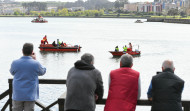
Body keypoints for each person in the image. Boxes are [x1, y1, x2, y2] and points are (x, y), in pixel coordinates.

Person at [10, 43, 46, 111]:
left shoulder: (15, 62)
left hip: (17, 94)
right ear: (32, 52)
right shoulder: (35, 63)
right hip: (30, 94)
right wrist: (35, 60)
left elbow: (12, 72)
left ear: (22, 51)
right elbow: (43, 71)